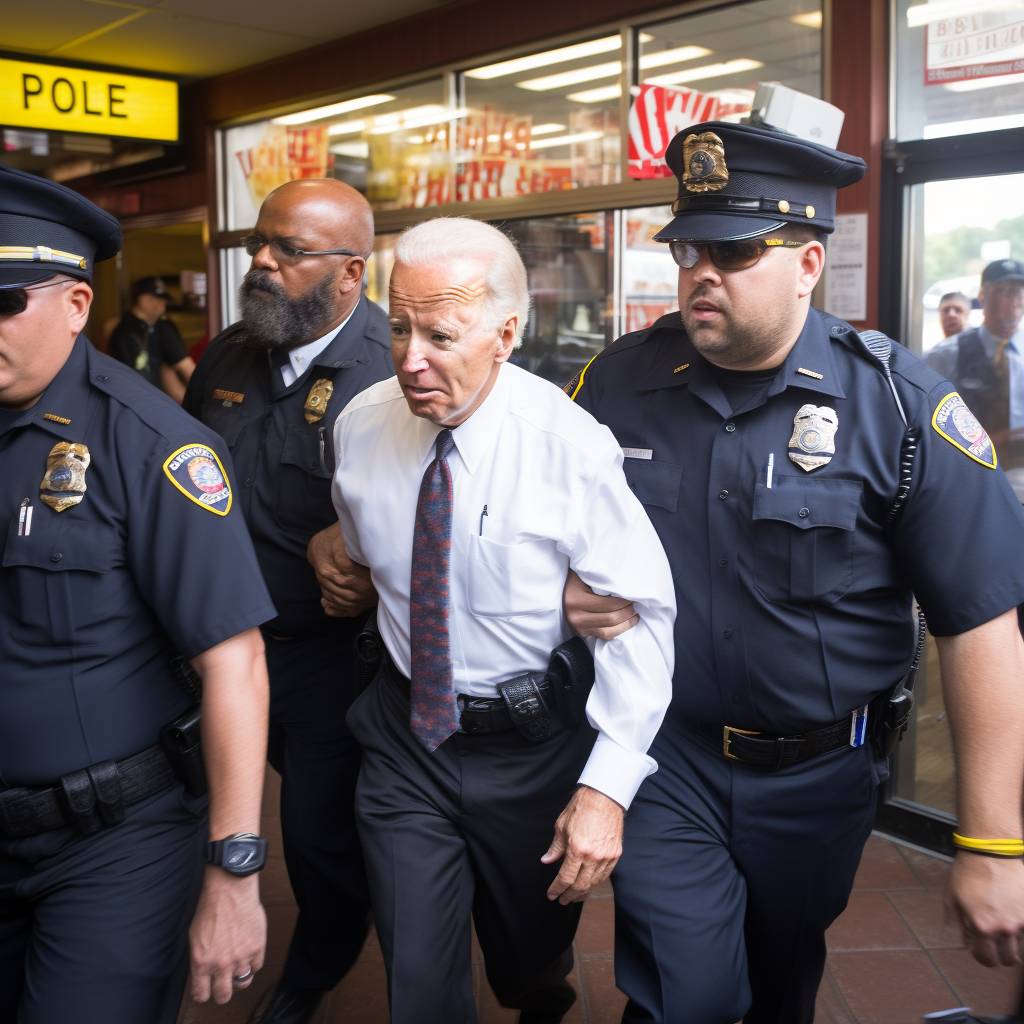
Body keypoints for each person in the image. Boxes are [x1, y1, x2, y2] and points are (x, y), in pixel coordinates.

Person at [562, 121, 1024, 1024]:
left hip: (822, 777)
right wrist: (556, 595)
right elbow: (523, 529)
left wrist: (991, 842)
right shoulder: (610, 387)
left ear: (809, 264)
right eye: (689, 246)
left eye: (733, 251)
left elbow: (980, 622)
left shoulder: (898, 407)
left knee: (782, 984)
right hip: (665, 757)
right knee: (682, 997)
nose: (701, 270)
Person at [320, 217, 676, 1024]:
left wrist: (606, 790)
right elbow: (364, 543)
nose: (411, 357)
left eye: (440, 334)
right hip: (406, 736)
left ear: (505, 334)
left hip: (530, 747)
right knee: (417, 967)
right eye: (399, 326)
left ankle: (535, 977)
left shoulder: (568, 448)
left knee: (527, 949)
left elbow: (643, 623)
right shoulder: (362, 427)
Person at [0, 164, 278, 1022]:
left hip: (111, 842)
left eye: (6, 300)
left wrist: (234, 874)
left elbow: (235, 661)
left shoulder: (152, 447)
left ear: (77, 305)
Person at [183, 178, 394, 1024]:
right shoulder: (231, 353)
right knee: (190, 801)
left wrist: (366, 546)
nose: (263, 262)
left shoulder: (391, 370)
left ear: (350, 274)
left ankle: (316, 965)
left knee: (316, 832)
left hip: (327, 655)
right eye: (259, 244)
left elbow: (446, 506)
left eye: (290, 251)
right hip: (220, 639)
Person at [926, 260, 1024, 442]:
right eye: (1003, 290)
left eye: (1018, 291)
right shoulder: (946, 355)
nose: (1013, 299)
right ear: (982, 295)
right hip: (969, 464)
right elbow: (924, 421)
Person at [109, 276, 196, 402]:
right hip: (138, 402)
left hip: (153, 402)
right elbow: (185, 368)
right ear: (143, 299)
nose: (163, 304)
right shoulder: (128, 332)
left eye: (164, 299)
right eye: (157, 298)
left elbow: (170, 372)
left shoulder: (156, 325)